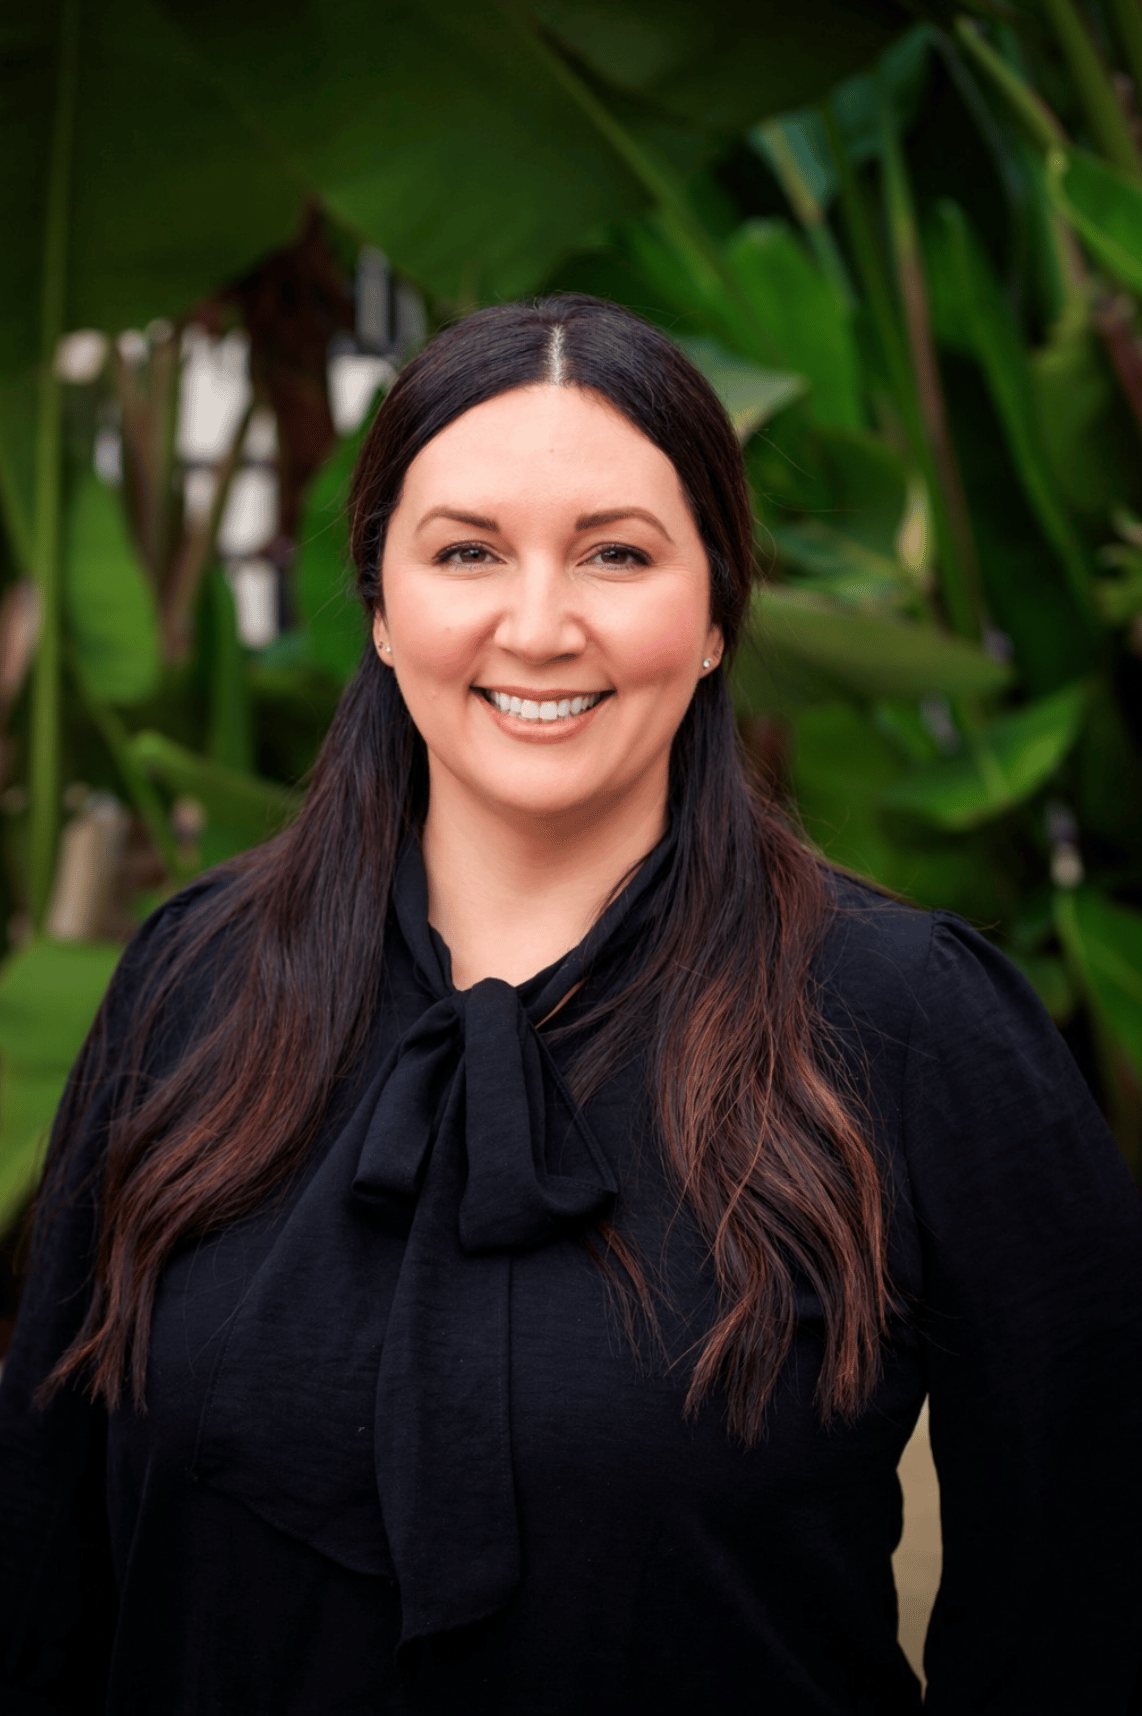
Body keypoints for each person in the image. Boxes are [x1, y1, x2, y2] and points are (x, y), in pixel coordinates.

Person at [1, 294, 1140, 1715]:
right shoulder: (195, 987)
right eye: (466, 551)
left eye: (615, 554)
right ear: (377, 605)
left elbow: (1087, 1593)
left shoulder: (906, 1022)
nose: (537, 626)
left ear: (717, 613)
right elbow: (43, 1570)